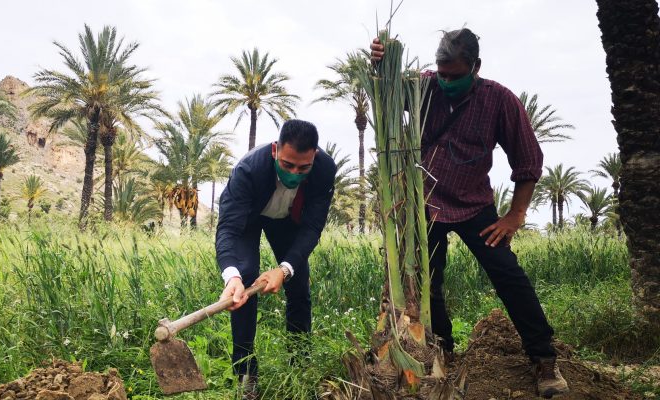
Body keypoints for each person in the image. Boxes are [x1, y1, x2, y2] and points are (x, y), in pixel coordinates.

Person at [371, 28, 569, 398]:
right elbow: (389, 88)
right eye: (441, 73)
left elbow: (528, 162)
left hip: (473, 205)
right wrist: (381, 62)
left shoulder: (500, 101)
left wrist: (515, 215)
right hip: (423, 205)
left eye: (455, 75)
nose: (445, 81)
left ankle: (544, 360)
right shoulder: (423, 87)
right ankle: (442, 349)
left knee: (508, 275)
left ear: (476, 67)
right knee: (429, 281)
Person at [216, 119, 337, 399]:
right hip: (250, 218)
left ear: (314, 157)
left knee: (298, 287)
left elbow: (312, 228)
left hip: (288, 222)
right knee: (245, 280)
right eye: (287, 165)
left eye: (303, 167)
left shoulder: (324, 170)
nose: (295, 173)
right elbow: (229, 230)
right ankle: (246, 374)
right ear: (275, 151)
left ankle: (300, 365)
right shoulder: (248, 171)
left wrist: (284, 269)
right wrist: (231, 275)